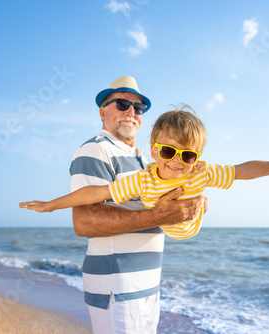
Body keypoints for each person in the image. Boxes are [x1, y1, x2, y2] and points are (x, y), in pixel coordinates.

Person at [28, 76, 204, 334]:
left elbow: (164, 209)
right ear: (103, 111)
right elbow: (84, 222)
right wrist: (157, 216)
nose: (131, 112)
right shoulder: (94, 151)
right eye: (122, 104)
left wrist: (190, 208)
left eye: (138, 107)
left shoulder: (148, 160)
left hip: (147, 286)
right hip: (117, 291)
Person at [20, 107, 269, 240]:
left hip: (192, 228)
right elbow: (97, 193)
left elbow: (245, 170)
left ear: (198, 156)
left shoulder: (201, 173)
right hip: (167, 226)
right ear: (154, 150)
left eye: (188, 154)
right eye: (169, 151)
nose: (178, 162)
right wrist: (50, 205)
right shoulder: (145, 178)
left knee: (202, 201)